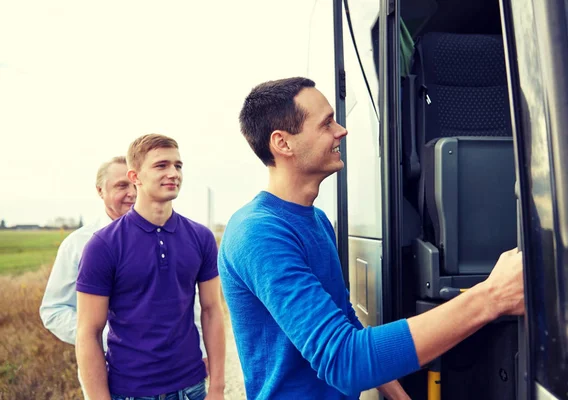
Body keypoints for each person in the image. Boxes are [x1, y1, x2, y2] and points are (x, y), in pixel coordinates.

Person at [218, 77, 525, 400]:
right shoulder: (258, 233)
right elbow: (343, 359)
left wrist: (398, 395)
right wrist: (492, 297)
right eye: (326, 124)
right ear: (283, 143)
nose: (341, 130)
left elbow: (345, 319)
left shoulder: (318, 220)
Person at [40, 156, 208, 398]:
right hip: (109, 376)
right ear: (100, 191)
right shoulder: (79, 244)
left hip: (180, 377)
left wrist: (200, 348)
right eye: (121, 186)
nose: (132, 193)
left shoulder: (171, 235)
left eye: (133, 184)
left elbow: (189, 304)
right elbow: (53, 310)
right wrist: (113, 337)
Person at [76, 135, 225, 400]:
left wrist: (217, 387)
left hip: (192, 388)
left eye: (178, 166)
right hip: (131, 391)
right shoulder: (103, 245)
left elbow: (213, 311)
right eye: (161, 165)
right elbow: (88, 332)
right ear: (136, 176)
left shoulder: (201, 238)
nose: (173, 173)